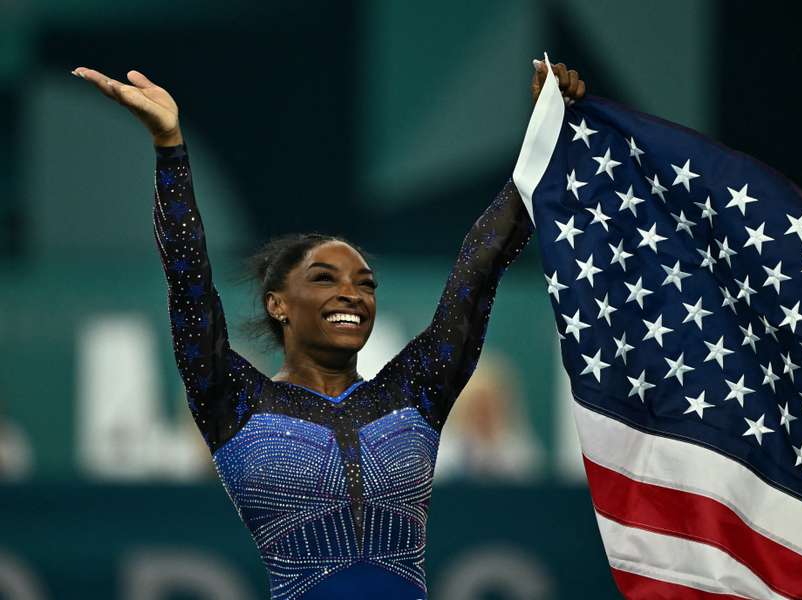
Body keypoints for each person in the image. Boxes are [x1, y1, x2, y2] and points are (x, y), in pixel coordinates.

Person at [71, 59, 585, 599]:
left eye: (365, 284)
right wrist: (169, 146)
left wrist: (548, 129)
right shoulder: (235, 401)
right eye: (325, 278)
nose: (352, 294)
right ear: (278, 305)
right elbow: (188, 282)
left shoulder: (413, 393)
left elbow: (481, 266)